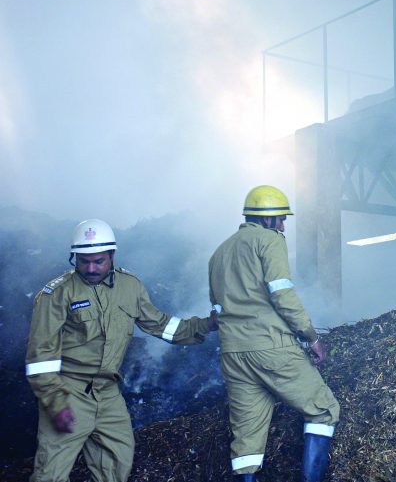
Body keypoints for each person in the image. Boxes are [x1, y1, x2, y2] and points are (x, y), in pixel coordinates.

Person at [25, 218, 218, 482]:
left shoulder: (130, 287)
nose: (91, 268)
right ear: (74, 258)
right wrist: (55, 403)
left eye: (99, 261)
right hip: (68, 393)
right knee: (50, 474)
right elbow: (40, 359)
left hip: (108, 395)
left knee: (116, 466)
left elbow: (162, 326)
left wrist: (206, 325)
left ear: (112, 255)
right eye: (83, 261)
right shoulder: (55, 295)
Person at [208, 185, 340, 482]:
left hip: (233, 356)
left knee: (247, 444)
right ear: (266, 220)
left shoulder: (219, 253)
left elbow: (216, 308)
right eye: (280, 219)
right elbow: (283, 295)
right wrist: (311, 336)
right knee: (324, 409)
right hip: (271, 346)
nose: (282, 226)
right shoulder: (269, 241)